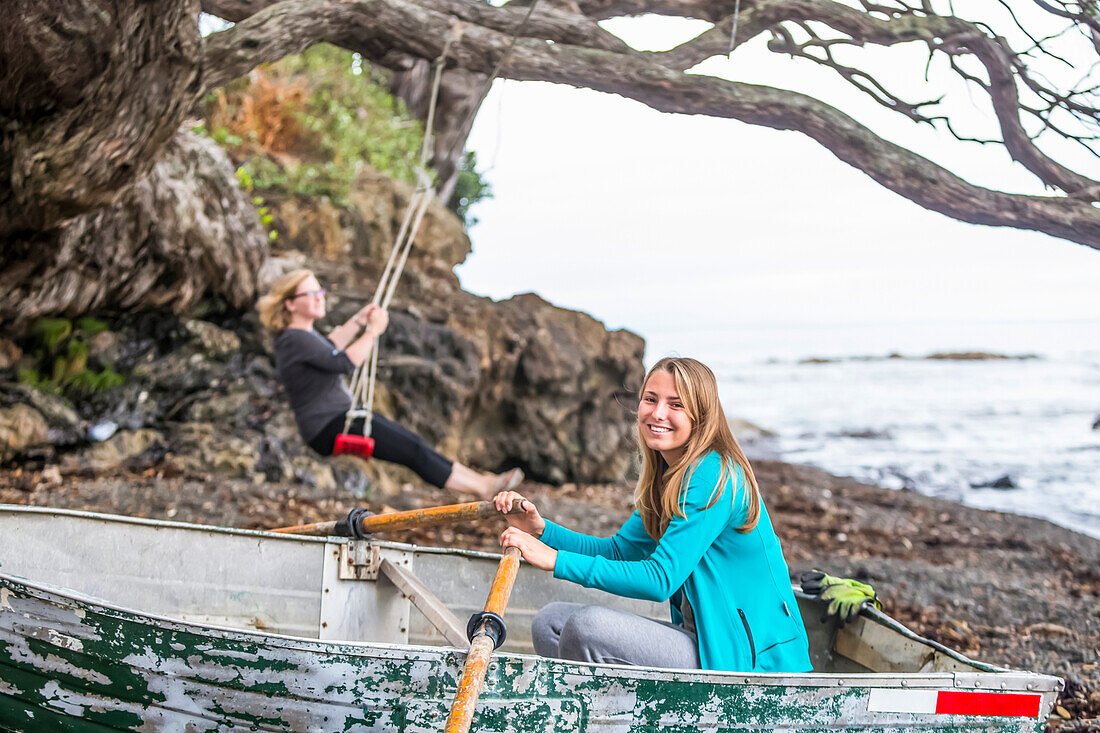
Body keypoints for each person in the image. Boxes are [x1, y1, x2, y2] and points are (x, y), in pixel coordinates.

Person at [493, 356, 811, 672]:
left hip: (745, 660)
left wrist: (555, 560)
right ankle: (603, 712)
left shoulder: (713, 475)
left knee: (585, 628)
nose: (658, 413)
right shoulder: (668, 477)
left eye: (676, 404)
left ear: (700, 416)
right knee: (550, 622)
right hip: (703, 638)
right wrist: (540, 530)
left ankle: (601, 716)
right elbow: (618, 551)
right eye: (651, 399)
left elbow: (660, 580)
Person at [257, 269, 522, 500]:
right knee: (413, 450)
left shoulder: (299, 337)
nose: (319, 297)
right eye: (311, 293)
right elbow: (345, 362)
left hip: (337, 420)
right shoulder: (295, 338)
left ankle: (481, 482)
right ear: (290, 304)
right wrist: (373, 332)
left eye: (320, 291)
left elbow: (329, 346)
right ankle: (481, 487)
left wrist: (358, 321)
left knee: (414, 445)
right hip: (331, 424)